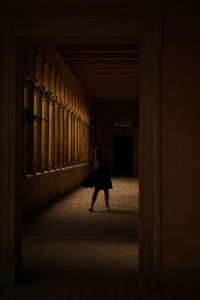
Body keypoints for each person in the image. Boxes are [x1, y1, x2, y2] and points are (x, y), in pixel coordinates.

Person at [88, 145, 112, 212]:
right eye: (99, 151)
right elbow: (95, 171)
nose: (100, 152)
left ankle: (106, 205)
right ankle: (92, 206)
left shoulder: (104, 158)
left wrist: (104, 179)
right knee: (96, 192)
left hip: (105, 178)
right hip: (99, 179)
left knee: (105, 192)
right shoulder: (96, 159)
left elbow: (106, 169)